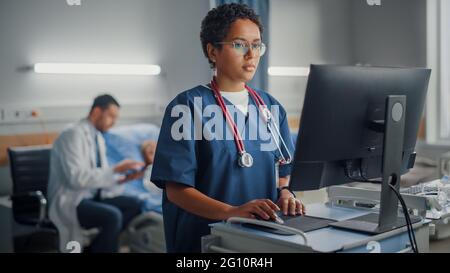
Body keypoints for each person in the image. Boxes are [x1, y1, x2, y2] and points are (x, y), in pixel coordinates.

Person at [151, 3, 305, 253]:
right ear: (213, 51)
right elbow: (176, 190)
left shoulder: (271, 108)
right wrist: (231, 212)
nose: (251, 54)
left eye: (256, 45)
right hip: (206, 240)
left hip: (262, 238)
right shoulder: (187, 107)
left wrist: (286, 194)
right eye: (239, 44)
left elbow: (282, 174)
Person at [47, 94, 145, 253]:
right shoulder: (72, 135)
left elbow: (101, 176)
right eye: (111, 116)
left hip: (93, 195)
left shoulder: (97, 137)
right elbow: (76, 179)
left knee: (135, 204)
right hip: (73, 200)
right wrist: (115, 169)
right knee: (112, 216)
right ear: (97, 112)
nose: (114, 122)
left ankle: (99, 247)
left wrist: (123, 178)